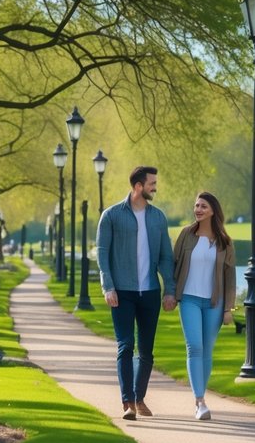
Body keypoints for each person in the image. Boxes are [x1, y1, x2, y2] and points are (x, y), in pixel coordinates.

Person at [96, 166, 176, 420]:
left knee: (147, 350)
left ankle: (139, 397)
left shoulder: (158, 217)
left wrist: (169, 291)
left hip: (150, 292)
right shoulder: (111, 216)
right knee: (125, 345)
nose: (155, 187)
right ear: (138, 186)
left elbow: (166, 257)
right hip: (122, 291)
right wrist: (108, 286)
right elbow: (102, 254)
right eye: (152, 183)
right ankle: (128, 402)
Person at [172, 191, 236, 421]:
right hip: (188, 299)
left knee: (207, 350)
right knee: (195, 347)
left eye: (203, 207)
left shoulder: (224, 242)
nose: (198, 210)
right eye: (196, 206)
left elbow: (230, 278)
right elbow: (173, 265)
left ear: (213, 211)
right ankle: (200, 401)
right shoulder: (186, 235)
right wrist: (169, 294)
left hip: (214, 303)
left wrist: (229, 309)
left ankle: (201, 396)